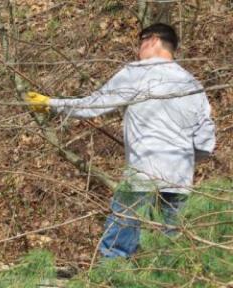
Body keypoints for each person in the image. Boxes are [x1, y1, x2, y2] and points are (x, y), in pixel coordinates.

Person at [25, 23, 215, 258]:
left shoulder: (137, 73)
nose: (138, 50)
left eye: (140, 43)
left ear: (153, 40)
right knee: (174, 250)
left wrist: (50, 104)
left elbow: (93, 105)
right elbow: (206, 142)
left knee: (118, 245)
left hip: (142, 175)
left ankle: (110, 281)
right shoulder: (192, 84)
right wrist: (187, 161)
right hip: (180, 179)